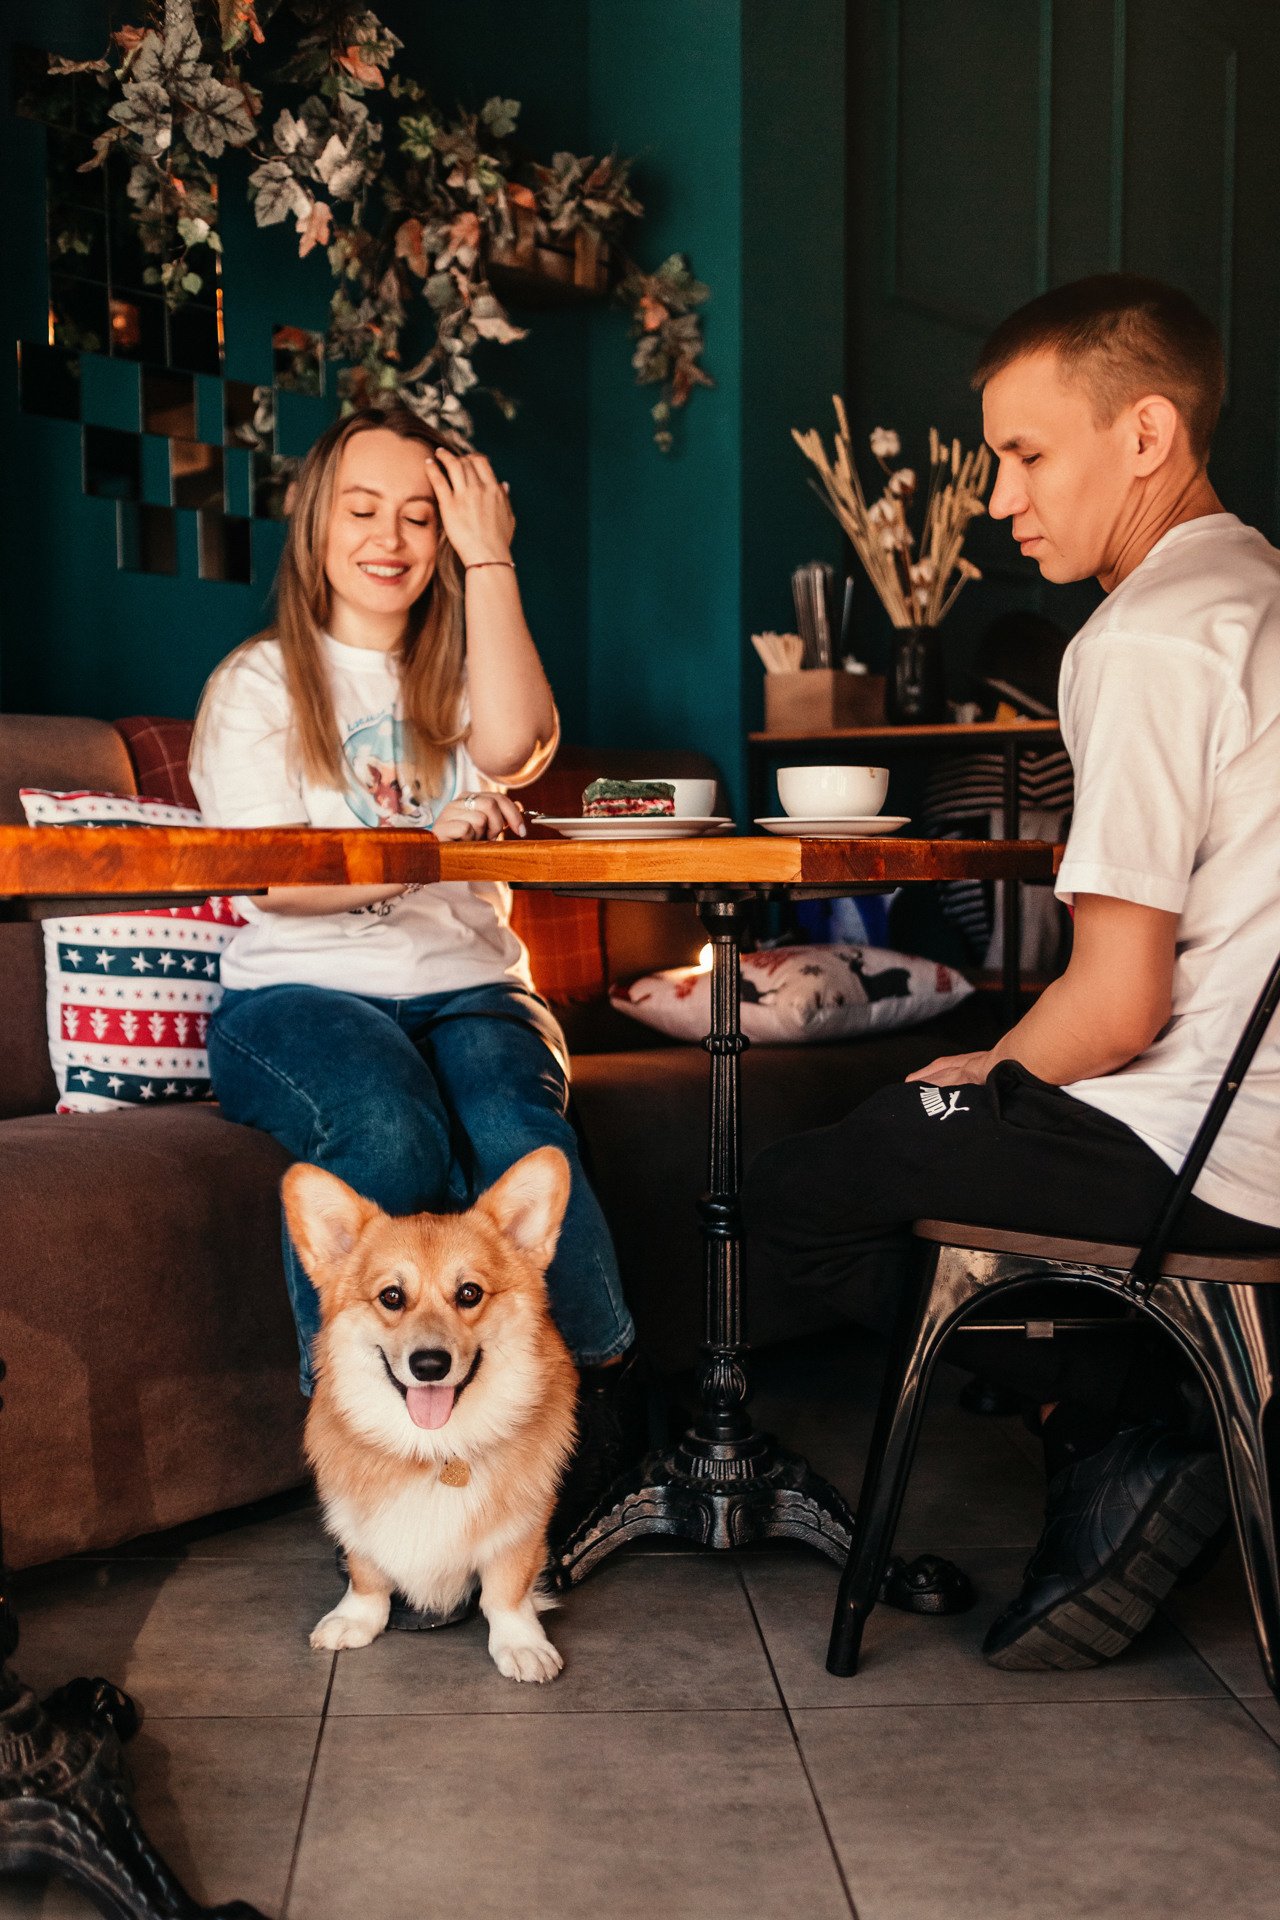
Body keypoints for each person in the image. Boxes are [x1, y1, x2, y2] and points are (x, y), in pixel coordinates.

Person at [743, 273, 1280, 1670]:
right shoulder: (1261, 589)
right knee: (920, 1124)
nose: (996, 499)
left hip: (1208, 1146)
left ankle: (1126, 1422)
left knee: (792, 1190)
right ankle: (1139, 1421)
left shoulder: (1150, 637)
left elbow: (1117, 1004)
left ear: (1148, 435)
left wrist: (986, 1076)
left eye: (1030, 454)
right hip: (1255, 1121)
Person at [189, 407, 643, 1590]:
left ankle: (595, 1413)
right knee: (388, 1124)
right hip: (293, 995)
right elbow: (269, 881)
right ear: (314, 525)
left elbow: (520, 740)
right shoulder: (254, 685)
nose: (391, 536)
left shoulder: (454, 670)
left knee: (515, 1128)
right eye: (363, 507)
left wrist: (489, 554)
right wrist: (417, 839)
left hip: (469, 986)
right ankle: (357, 1443)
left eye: (421, 513)